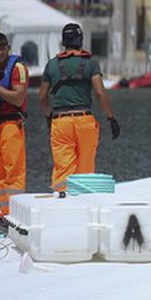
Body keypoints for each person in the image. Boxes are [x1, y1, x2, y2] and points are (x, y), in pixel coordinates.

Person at [39, 23, 118, 192]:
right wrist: (111, 117)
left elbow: (42, 96)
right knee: (85, 171)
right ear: (80, 40)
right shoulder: (90, 63)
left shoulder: (52, 65)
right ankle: (82, 206)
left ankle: (61, 203)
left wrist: (48, 116)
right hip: (84, 121)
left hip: (61, 122)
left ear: (63, 42)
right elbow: (99, 92)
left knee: (63, 169)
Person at [0, 32, 31, 218]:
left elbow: (18, 97)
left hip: (12, 124)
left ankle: (16, 215)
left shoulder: (17, 68)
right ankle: (3, 214)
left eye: (1, 47)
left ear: (8, 48)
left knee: (13, 172)